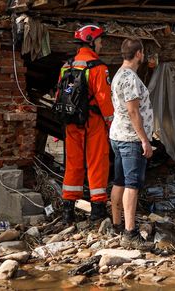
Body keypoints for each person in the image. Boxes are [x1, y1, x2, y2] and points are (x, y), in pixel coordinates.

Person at [59, 24, 114, 225]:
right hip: (93, 121)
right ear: (91, 42)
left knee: (73, 163)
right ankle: (97, 210)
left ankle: (68, 211)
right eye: (99, 40)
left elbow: (60, 95)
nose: (101, 44)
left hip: (71, 121)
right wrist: (111, 123)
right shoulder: (98, 68)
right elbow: (104, 100)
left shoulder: (67, 66)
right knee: (96, 162)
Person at [109, 38, 155, 247]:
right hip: (130, 139)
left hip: (118, 136)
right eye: (142, 53)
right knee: (132, 184)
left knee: (119, 181)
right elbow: (133, 111)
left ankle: (116, 225)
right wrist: (144, 140)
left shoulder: (119, 74)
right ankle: (130, 233)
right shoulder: (130, 78)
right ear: (138, 54)